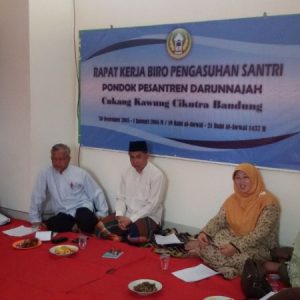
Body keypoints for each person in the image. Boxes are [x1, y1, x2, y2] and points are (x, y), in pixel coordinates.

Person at [185, 163, 280, 279]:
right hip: (235, 238)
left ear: (255, 178)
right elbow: (218, 220)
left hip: (260, 246)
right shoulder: (233, 198)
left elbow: (260, 234)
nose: (241, 182)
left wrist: (236, 247)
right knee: (218, 235)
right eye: (238, 178)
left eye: (246, 177)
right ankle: (225, 265)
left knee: (237, 257)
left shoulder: (269, 202)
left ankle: (204, 254)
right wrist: (204, 233)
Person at [95, 140, 166, 244]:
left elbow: (153, 205)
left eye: (138, 156)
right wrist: (119, 215)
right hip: (126, 214)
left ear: (147, 156)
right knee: (99, 228)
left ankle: (122, 237)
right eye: (132, 157)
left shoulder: (157, 175)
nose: (135, 161)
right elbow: (120, 198)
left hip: (148, 217)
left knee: (134, 236)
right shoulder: (126, 173)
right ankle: (122, 236)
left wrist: (131, 219)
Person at [29, 143, 109, 233]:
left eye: (60, 159)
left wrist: (102, 213)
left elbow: (96, 192)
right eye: (54, 159)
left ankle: (78, 225)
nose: (57, 163)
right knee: (50, 225)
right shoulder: (45, 173)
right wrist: (35, 219)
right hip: (63, 213)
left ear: (68, 159)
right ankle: (75, 226)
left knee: (85, 219)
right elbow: (38, 195)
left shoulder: (80, 173)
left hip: (81, 207)